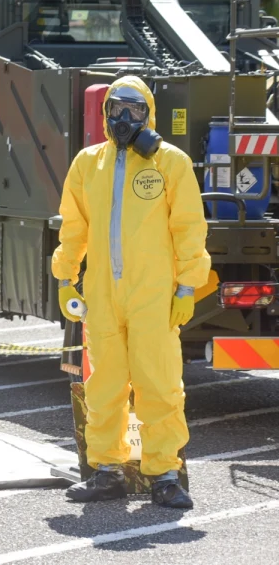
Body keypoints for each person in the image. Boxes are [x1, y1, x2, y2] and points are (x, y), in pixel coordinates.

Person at [53, 76, 210, 510]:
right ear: (105, 113)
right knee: (103, 386)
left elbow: (189, 228)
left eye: (135, 110)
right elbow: (73, 226)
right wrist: (66, 278)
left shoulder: (170, 162)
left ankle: (164, 475)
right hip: (103, 296)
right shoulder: (88, 163)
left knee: (159, 386)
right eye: (117, 109)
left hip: (153, 296)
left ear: (149, 114)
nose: (125, 118)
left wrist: (186, 286)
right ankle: (107, 471)